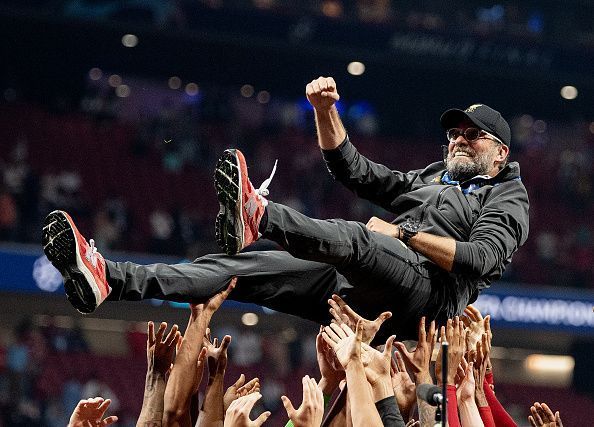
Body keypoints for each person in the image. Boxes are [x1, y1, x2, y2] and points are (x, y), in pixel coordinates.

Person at [42, 77, 528, 340]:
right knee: (238, 268)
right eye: (454, 133)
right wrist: (324, 112)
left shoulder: (508, 195)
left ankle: (261, 215)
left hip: (422, 301)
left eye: (472, 135)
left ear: (500, 152)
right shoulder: (431, 176)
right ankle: (110, 278)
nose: (459, 141)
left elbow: (478, 259)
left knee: (360, 238)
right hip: (365, 281)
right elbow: (355, 171)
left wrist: (404, 237)